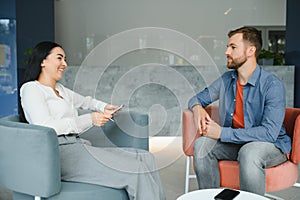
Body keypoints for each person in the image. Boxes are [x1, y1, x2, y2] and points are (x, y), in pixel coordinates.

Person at [19, 41, 165, 200]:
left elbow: (86, 101)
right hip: (59, 153)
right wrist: (90, 119)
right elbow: (46, 127)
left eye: (65, 59)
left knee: (146, 158)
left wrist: (104, 107)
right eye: (59, 58)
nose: (64, 64)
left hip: (78, 146)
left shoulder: (59, 90)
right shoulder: (31, 89)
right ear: (43, 61)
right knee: (136, 169)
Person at [188, 26, 291, 195]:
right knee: (202, 145)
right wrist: (197, 107)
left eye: (233, 47)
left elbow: (269, 133)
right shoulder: (227, 80)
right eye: (228, 47)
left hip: (270, 146)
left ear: (251, 51)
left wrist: (222, 132)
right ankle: (210, 197)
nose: (227, 52)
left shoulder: (272, 85)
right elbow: (196, 98)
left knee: (249, 152)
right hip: (237, 143)